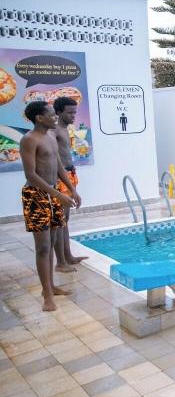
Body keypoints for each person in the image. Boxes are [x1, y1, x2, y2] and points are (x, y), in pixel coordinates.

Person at [20, 101, 79, 311]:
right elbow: (31, 175)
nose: (55, 117)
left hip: (54, 193)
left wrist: (71, 189)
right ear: (39, 118)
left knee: (53, 240)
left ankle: (51, 286)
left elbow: (59, 166)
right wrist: (57, 195)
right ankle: (46, 294)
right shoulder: (29, 140)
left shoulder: (51, 137)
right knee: (43, 247)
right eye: (52, 114)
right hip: (36, 195)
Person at [52, 96, 87, 272]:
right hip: (61, 177)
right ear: (58, 112)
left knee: (65, 219)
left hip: (70, 175)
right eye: (69, 112)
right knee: (60, 220)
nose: (73, 115)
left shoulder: (65, 130)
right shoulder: (55, 131)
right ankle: (60, 262)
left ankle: (68, 256)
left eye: (75, 112)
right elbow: (53, 157)